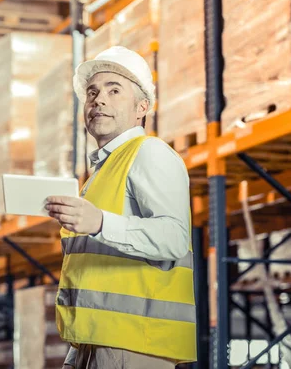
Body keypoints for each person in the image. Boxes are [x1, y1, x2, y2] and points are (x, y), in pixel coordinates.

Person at [46, 46, 196, 369]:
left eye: (115, 90)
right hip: (95, 346)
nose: (99, 99)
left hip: (136, 347)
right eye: (92, 92)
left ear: (141, 108)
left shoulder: (149, 153)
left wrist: (100, 222)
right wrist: (77, 353)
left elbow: (173, 237)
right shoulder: (99, 175)